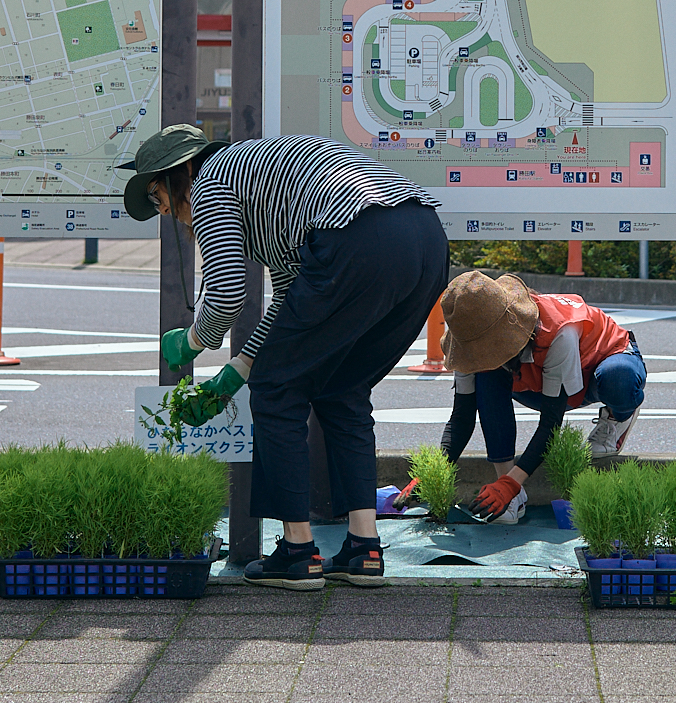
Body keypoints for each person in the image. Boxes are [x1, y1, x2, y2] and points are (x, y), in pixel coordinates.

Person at [121, 125, 447, 589]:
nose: (168, 213)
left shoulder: (209, 180)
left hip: (354, 236)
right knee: (342, 388)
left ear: (179, 173)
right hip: (424, 239)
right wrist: (240, 368)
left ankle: (297, 553)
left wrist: (194, 340)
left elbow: (228, 290)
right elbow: (292, 299)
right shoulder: (262, 182)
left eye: (157, 198)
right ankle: (364, 549)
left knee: (277, 392)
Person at [436, 272, 647, 523]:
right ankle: (513, 492)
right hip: (538, 378)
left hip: (599, 366)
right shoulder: (469, 338)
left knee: (618, 379)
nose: (479, 355)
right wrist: (435, 471)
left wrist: (511, 482)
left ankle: (618, 417)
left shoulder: (559, 332)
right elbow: (462, 416)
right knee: (486, 377)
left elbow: (550, 424)